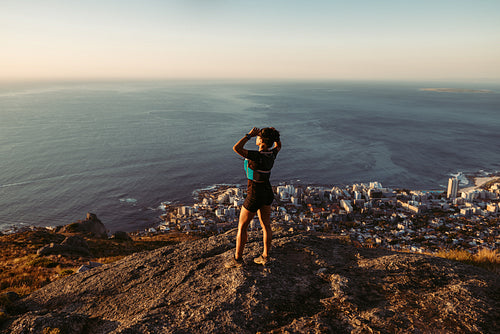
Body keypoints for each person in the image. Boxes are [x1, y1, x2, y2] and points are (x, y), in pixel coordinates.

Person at [225, 127, 281, 268]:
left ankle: (237, 259)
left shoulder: (257, 156)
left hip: (254, 193)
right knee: (266, 225)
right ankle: (265, 256)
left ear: (261, 140)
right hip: (267, 191)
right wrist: (274, 136)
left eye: (258, 136)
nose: (256, 138)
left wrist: (249, 135)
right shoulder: (272, 154)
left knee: (242, 226)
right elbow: (278, 145)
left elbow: (236, 147)